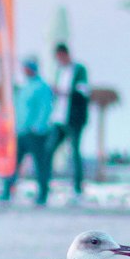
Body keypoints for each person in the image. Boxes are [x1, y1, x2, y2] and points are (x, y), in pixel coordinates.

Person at [0, 57, 54, 204]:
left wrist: (38, 126)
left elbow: (45, 108)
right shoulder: (24, 87)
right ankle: (6, 190)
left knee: (40, 164)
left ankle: (43, 194)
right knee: (13, 163)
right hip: (21, 131)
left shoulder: (41, 87)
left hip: (35, 133)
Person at [47, 43, 89, 195]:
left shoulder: (79, 70)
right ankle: (46, 184)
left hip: (74, 119)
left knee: (75, 151)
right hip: (59, 118)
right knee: (49, 149)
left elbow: (83, 92)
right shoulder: (59, 72)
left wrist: (64, 92)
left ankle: (78, 186)